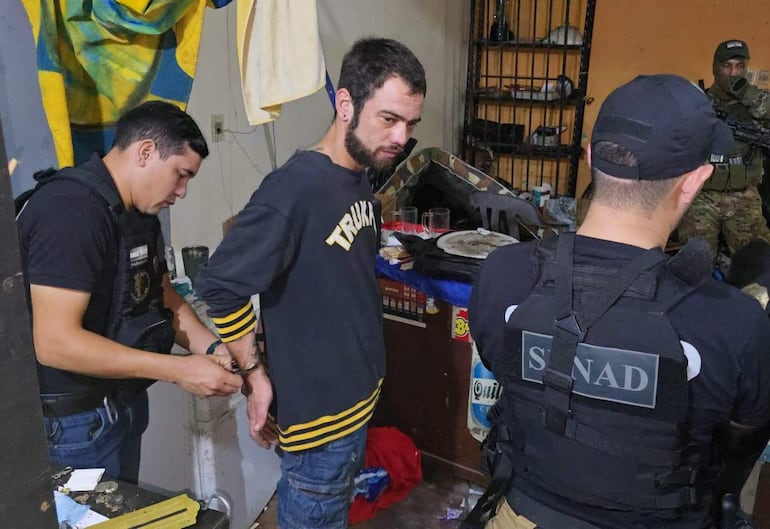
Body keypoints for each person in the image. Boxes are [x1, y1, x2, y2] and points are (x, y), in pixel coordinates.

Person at [468, 74, 770, 529]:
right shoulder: (736, 322)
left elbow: (506, 368)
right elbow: (740, 441)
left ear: (590, 156)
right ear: (694, 182)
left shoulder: (502, 274)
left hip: (521, 514)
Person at [195, 37, 426, 528]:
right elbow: (220, 285)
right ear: (346, 104)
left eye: (410, 124)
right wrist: (255, 375)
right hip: (319, 426)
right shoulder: (295, 189)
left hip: (356, 401)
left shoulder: (361, 175)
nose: (402, 137)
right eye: (389, 119)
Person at [16, 101, 243, 484]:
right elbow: (54, 342)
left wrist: (214, 351)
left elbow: (166, 298)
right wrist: (177, 370)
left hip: (121, 403)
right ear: (146, 152)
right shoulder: (70, 212)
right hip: (73, 423)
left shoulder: (137, 215)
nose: (182, 191)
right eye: (180, 175)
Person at [677, 39, 770, 260]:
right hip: (702, 196)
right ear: (715, 68)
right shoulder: (699, 102)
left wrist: (747, 93)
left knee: (758, 265)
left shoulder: (757, 104)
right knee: (694, 263)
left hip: (744, 195)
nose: (733, 73)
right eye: (727, 66)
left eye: (740, 66)